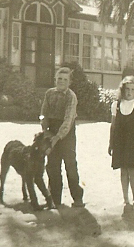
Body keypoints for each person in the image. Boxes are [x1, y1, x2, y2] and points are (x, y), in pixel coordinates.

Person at [39, 67, 84, 208]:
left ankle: (77, 198)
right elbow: (42, 113)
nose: (62, 82)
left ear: (69, 82)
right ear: (55, 80)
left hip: (66, 133)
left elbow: (68, 119)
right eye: (59, 79)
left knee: (70, 165)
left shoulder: (71, 96)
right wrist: (45, 129)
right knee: (52, 165)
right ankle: (54, 198)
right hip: (51, 131)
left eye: (65, 79)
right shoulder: (49, 94)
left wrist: (57, 137)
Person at [108, 76, 134, 209]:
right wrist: (110, 143)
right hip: (119, 141)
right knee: (123, 171)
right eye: (127, 89)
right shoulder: (116, 105)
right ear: (122, 90)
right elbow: (113, 125)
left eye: (132, 89)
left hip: (132, 142)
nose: (129, 92)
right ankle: (126, 199)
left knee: (132, 170)